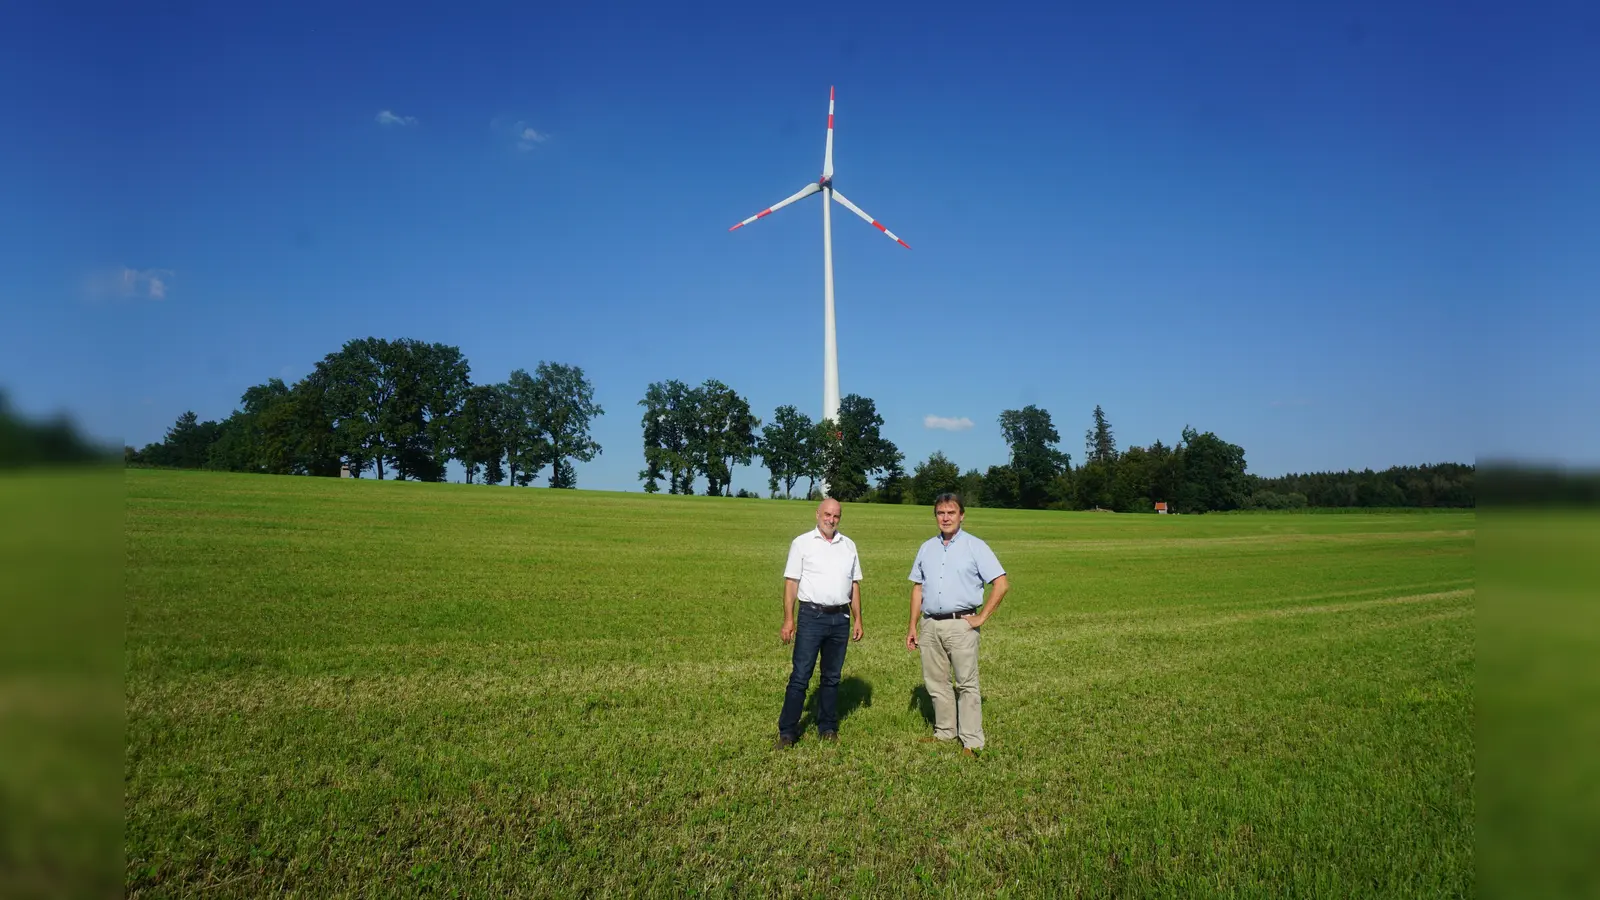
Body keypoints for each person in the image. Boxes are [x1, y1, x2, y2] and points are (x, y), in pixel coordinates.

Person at [905, 492, 1008, 756]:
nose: (946, 517)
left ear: (962, 515)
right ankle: (945, 732)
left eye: (951, 512)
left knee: (966, 684)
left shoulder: (976, 546)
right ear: (935, 516)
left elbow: (1001, 583)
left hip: (961, 624)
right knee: (936, 683)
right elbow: (918, 589)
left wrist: (981, 617)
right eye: (941, 513)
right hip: (930, 625)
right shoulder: (926, 547)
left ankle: (972, 741)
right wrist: (913, 626)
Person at [775, 498, 863, 749]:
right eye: (827, 514)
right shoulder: (802, 543)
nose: (831, 520)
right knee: (801, 676)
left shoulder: (848, 546)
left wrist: (858, 619)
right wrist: (789, 619)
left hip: (840, 619)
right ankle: (788, 731)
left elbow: (854, 585)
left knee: (832, 677)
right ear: (817, 514)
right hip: (811, 617)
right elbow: (791, 583)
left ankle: (827, 727)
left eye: (836, 516)